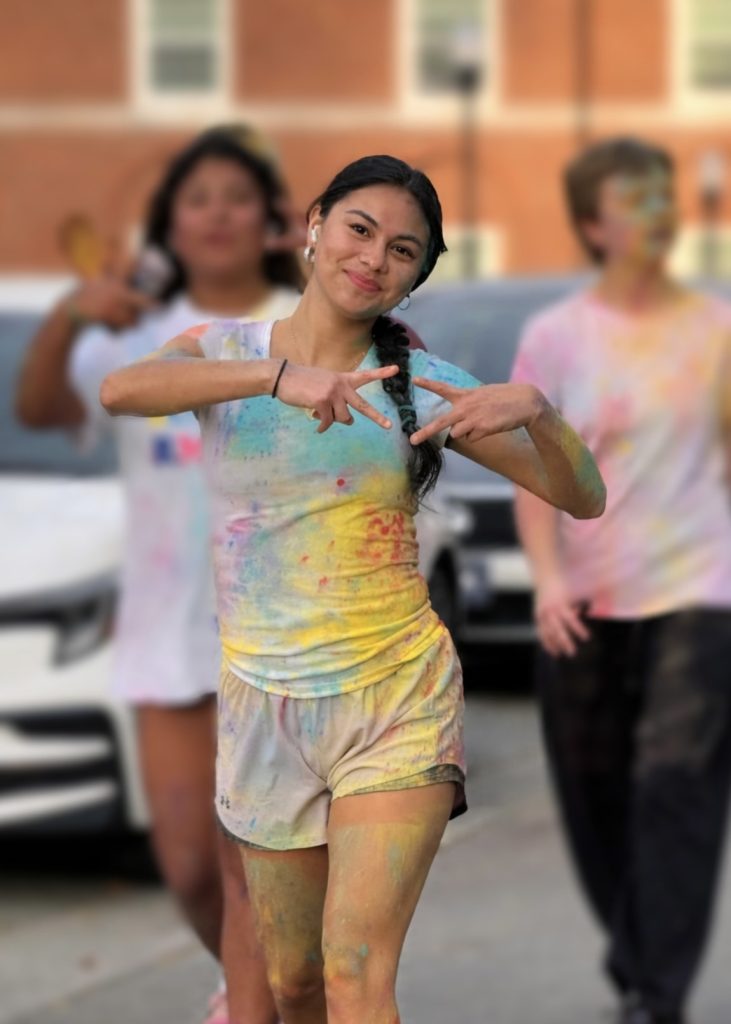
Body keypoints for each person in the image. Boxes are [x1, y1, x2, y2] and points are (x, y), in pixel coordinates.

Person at [99, 153, 605, 1024]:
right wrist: (278, 377)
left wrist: (538, 412)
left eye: (402, 251)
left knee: (356, 969)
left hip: (395, 696)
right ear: (314, 226)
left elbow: (582, 497)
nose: (373, 258)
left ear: (413, 278)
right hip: (265, 705)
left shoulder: (418, 383)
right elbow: (122, 389)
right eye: (359, 230)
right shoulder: (227, 353)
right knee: (292, 981)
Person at [15, 124, 306, 1024]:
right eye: (197, 198)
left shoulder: (308, 330)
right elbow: (38, 406)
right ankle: (255, 981)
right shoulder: (134, 343)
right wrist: (70, 313)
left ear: (271, 220)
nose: (217, 212)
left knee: (272, 857)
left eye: (235, 196)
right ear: (169, 228)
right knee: (186, 860)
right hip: (168, 632)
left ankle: (266, 996)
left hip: (290, 635)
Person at [512, 136, 731, 1024]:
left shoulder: (717, 329)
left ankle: (656, 995)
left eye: (660, 196)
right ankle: (641, 959)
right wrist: (545, 581)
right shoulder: (554, 336)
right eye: (630, 199)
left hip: (700, 588)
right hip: (588, 594)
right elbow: (531, 473)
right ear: (593, 225)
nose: (654, 213)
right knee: (593, 787)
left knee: (674, 784)